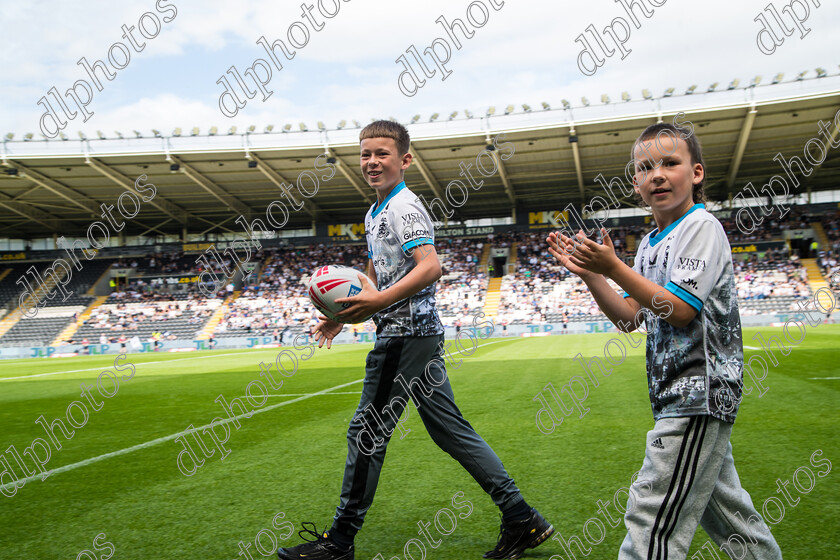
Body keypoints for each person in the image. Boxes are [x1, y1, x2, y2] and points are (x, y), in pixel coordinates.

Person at [277, 121, 552, 560]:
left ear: (404, 159)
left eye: (382, 154)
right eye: (365, 154)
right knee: (451, 431)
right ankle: (521, 517)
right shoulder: (375, 212)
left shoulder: (404, 207)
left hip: (405, 336)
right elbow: (374, 273)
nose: (371, 162)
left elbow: (430, 266)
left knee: (366, 432)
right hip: (415, 334)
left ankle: (340, 542)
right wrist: (341, 318)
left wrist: (379, 303)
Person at [547, 123, 782, 560]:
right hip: (676, 396)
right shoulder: (650, 246)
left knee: (651, 513)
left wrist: (615, 268)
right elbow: (631, 318)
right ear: (635, 183)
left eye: (670, 163)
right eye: (645, 167)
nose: (657, 174)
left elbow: (681, 310)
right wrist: (594, 275)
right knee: (732, 522)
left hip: (700, 391)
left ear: (695, 173)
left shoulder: (701, 227)